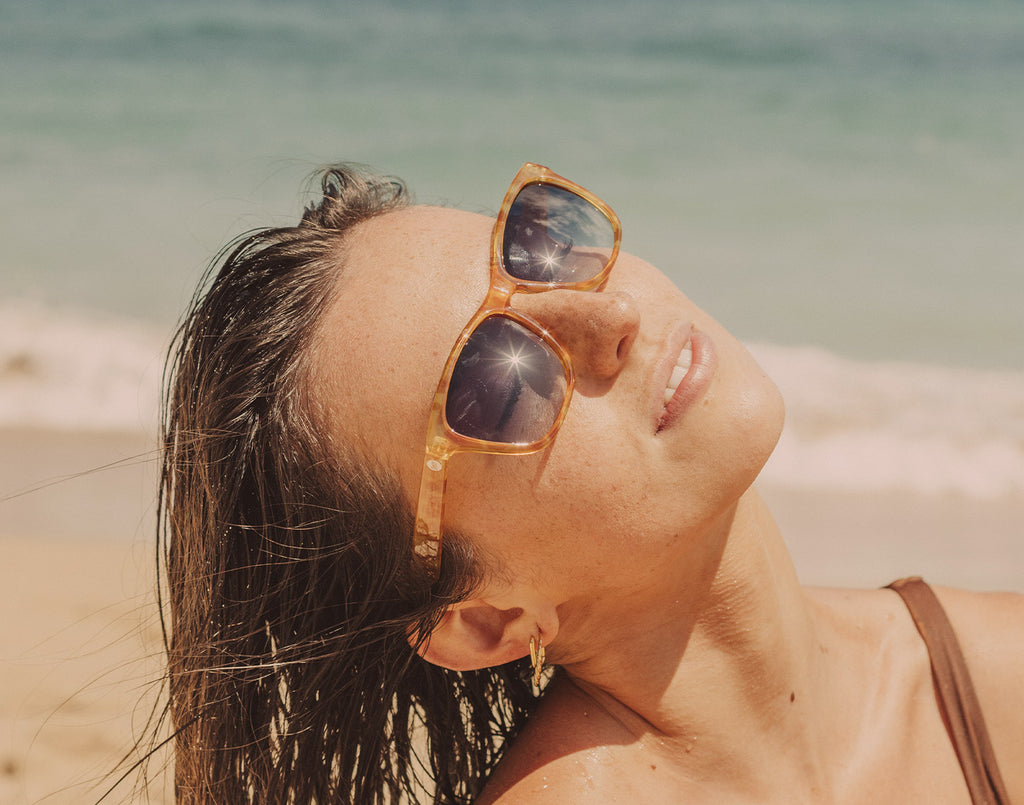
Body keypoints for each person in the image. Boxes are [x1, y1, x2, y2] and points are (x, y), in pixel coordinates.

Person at [159, 162, 1023, 804]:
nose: (613, 318)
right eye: (497, 379)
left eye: (541, 251)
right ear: (482, 620)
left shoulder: (994, 666)